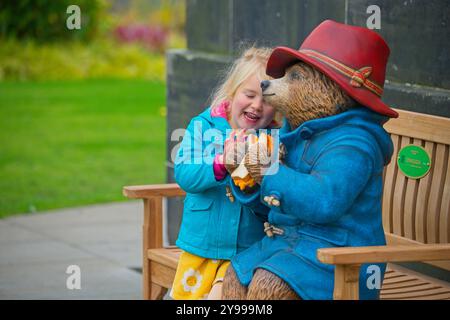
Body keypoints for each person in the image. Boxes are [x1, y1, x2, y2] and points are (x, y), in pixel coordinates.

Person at [170, 46, 280, 300]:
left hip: (246, 250)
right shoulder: (203, 125)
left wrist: (259, 172)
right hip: (201, 245)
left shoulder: (275, 140)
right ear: (232, 92)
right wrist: (220, 164)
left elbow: (275, 197)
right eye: (249, 94)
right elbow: (185, 173)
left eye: (267, 100)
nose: (256, 105)